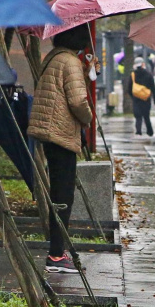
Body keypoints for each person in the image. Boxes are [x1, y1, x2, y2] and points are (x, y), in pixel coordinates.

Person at [28, 24, 97, 273]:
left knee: (59, 191)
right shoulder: (70, 62)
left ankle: (57, 251)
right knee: (63, 195)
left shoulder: (56, 57)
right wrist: (88, 119)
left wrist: (87, 73)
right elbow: (77, 101)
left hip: (51, 131)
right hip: (60, 133)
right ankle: (56, 255)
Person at [128, 57, 155, 136]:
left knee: (138, 116)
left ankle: (138, 131)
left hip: (136, 98)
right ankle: (150, 131)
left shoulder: (133, 75)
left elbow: (129, 88)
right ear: (143, 64)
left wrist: (133, 96)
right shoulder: (148, 74)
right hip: (146, 98)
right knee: (146, 116)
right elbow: (153, 87)